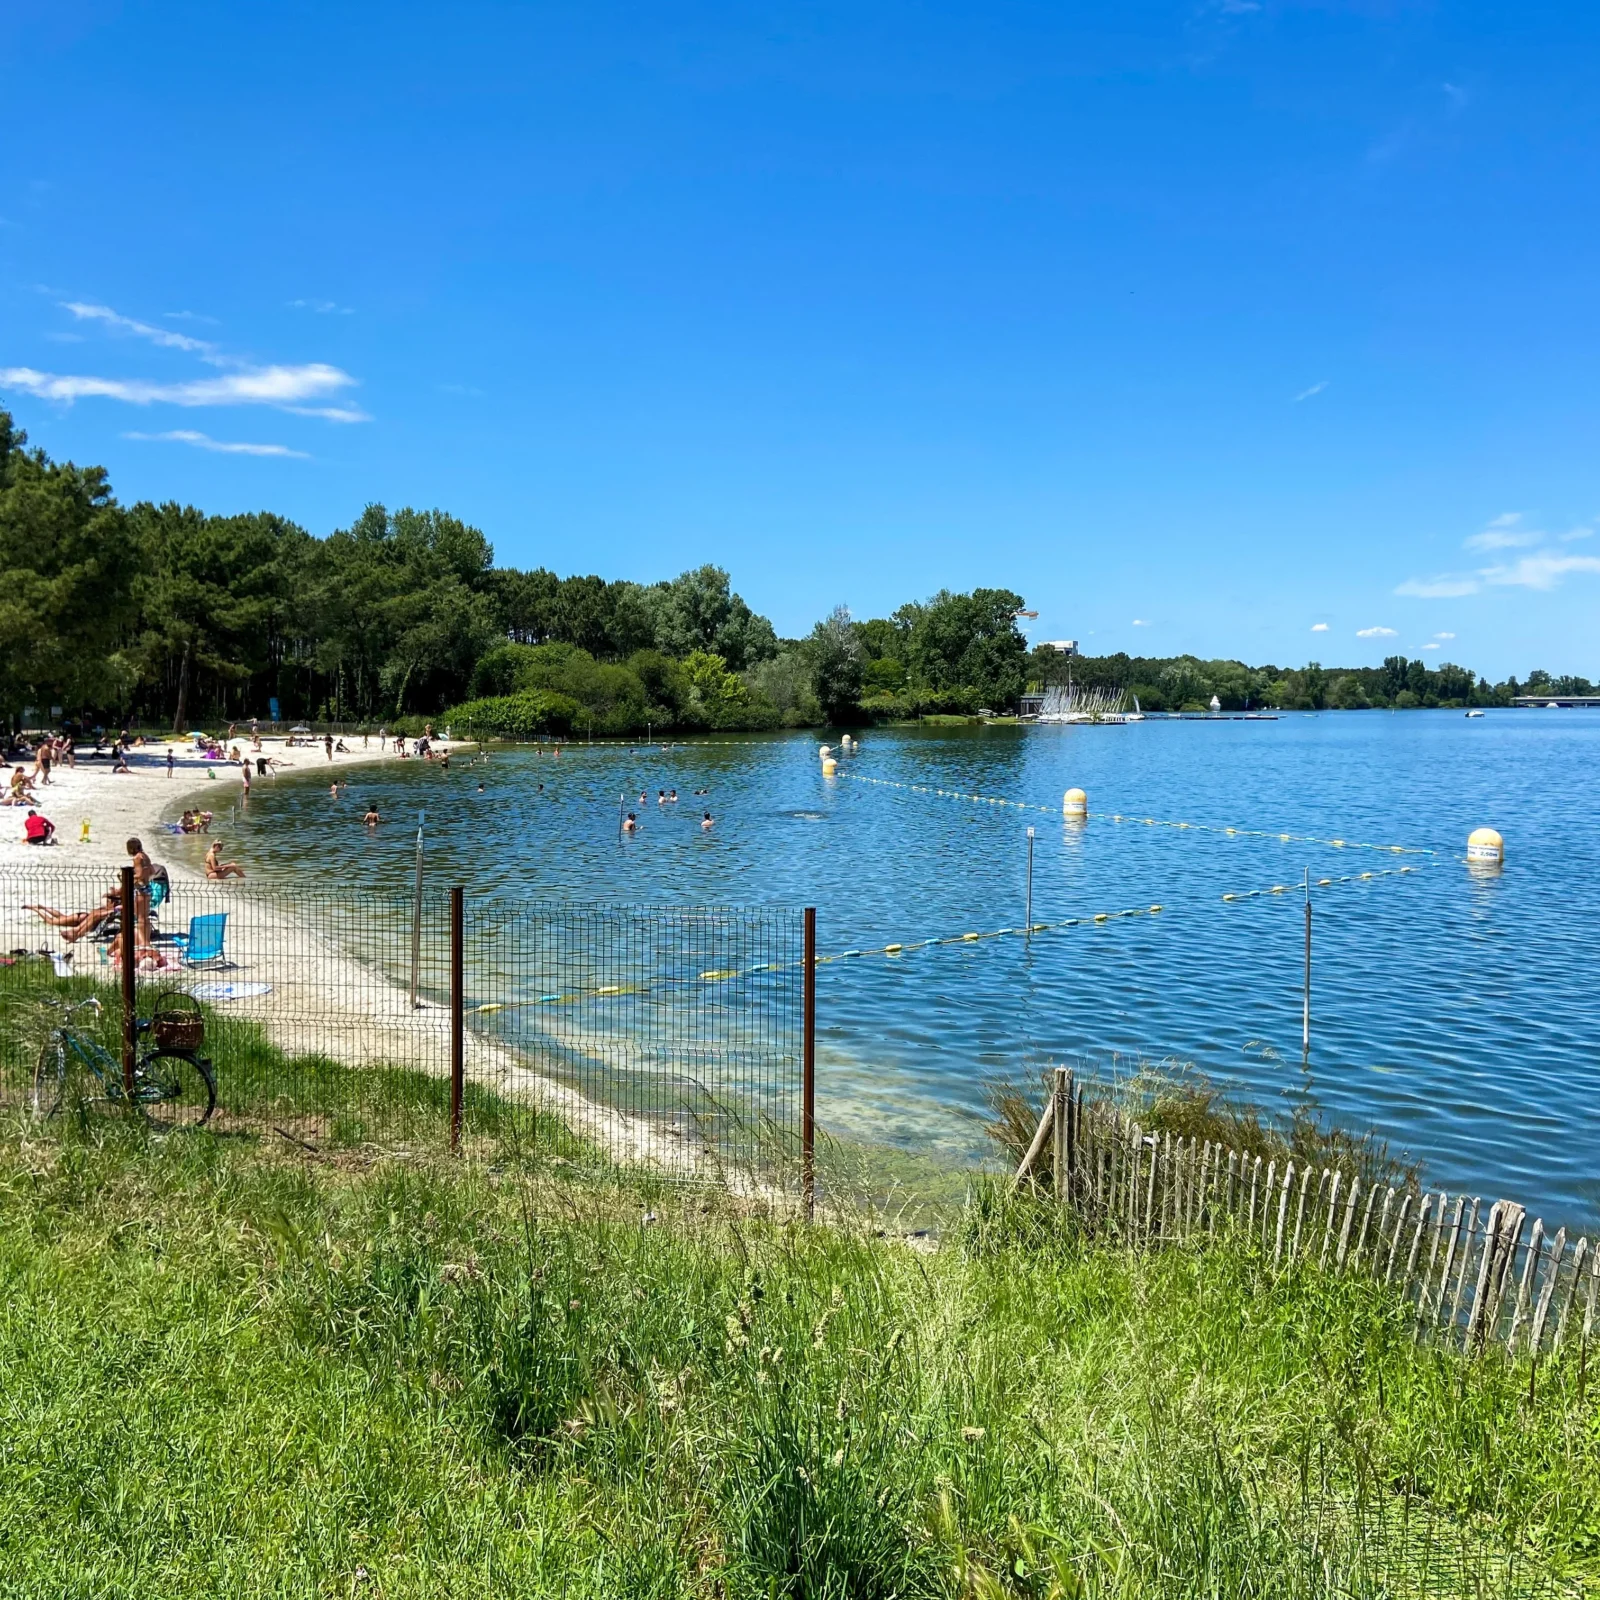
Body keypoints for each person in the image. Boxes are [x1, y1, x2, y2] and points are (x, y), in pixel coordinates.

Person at [126, 838, 155, 948]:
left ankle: (144, 943)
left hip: (141, 888)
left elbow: (139, 874)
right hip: (147, 887)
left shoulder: (137, 858)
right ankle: (146, 940)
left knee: (140, 917)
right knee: (145, 917)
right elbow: (152, 871)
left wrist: (126, 877)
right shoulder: (145, 856)